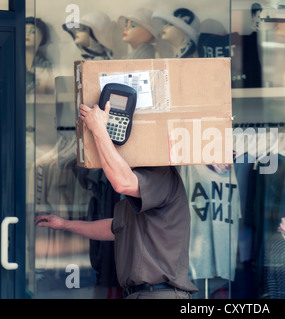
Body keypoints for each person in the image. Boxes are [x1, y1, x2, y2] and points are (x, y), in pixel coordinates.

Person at [35, 101, 198, 299]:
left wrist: (99, 130)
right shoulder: (144, 187)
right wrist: (65, 224)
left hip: (159, 293)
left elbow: (122, 183)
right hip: (143, 294)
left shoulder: (160, 174)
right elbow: (114, 228)